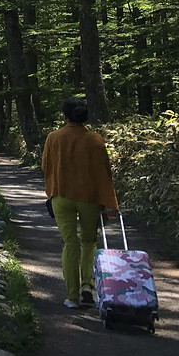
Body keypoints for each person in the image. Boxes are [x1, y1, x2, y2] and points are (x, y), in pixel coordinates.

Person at [41, 97, 119, 309]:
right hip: (89, 198)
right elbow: (104, 173)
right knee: (88, 242)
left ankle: (71, 297)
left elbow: (45, 165)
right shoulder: (96, 140)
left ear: (65, 116)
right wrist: (109, 201)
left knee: (70, 243)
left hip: (62, 195)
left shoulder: (53, 138)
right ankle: (87, 285)